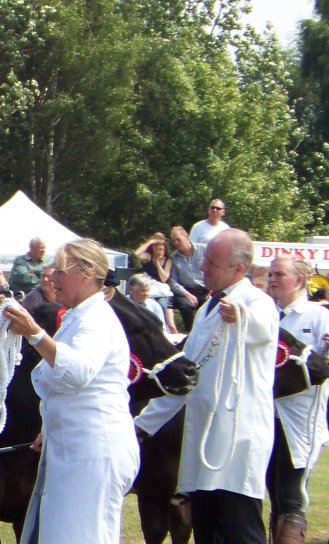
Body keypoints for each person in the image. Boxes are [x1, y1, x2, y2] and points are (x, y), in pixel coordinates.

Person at [135, 228, 279, 543]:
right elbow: (185, 376)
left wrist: (240, 316)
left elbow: (265, 329)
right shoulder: (207, 309)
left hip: (236, 441)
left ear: (238, 269)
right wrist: (144, 424)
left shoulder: (256, 302)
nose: (203, 268)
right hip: (203, 439)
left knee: (242, 532)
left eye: (212, 263)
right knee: (206, 532)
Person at [0, 239, 139, 543]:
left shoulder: (97, 319)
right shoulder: (78, 317)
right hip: (73, 449)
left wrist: (34, 333)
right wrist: (48, 428)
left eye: (60, 271)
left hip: (93, 452)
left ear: (87, 272)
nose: (52, 277)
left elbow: (76, 372)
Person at [265, 255, 329, 543]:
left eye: (279, 274)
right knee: (274, 489)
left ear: (298, 280)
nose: (272, 279)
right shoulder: (266, 313)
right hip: (267, 415)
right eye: (270, 274)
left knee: (291, 493)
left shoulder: (319, 316)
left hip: (300, 418)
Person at [169, 226, 208, 332]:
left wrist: (213, 291)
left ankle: (207, 333)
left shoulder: (204, 250)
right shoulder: (173, 258)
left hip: (207, 289)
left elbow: (215, 269)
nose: (176, 243)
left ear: (186, 237)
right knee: (184, 305)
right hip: (187, 291)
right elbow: (173, 282)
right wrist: (188, 295)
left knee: (215, 304)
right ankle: (191, 333)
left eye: (178, 239)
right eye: (174, 241)